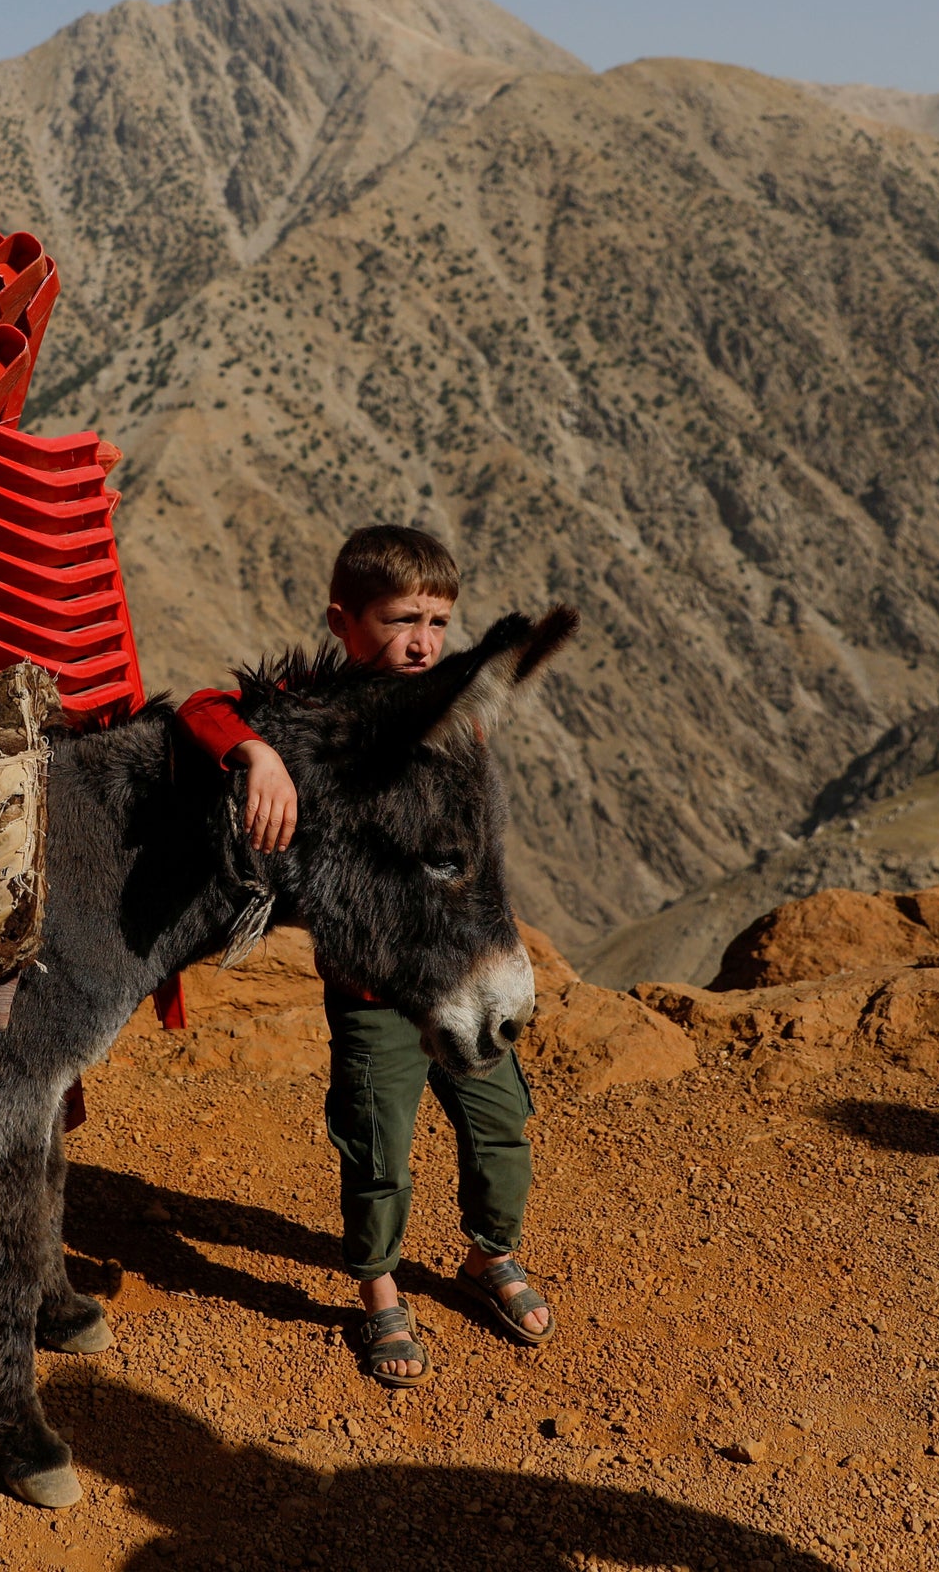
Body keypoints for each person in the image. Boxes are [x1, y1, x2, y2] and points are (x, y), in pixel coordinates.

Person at [176, 525, 555, 1387]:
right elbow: (201, 707)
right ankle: (379, 1287)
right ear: (344, 622)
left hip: (458, 973)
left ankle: (488, 1254)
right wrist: (257, 753)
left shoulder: (456, 714)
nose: (423, 640)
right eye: (400, 619)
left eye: (438, 620)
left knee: (500, 1129)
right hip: (375, 992)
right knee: (377, 1147)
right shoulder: (317, 712)